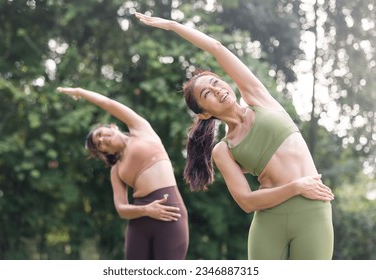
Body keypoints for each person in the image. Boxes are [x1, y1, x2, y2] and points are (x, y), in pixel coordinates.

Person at [135, 12, 334, 260]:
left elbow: (217, 48)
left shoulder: (258, 98)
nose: (217, 91)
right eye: (207, 94)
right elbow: (247, 202)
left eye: (215, 83)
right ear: (205, 114)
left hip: (312, 210)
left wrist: (174, 26)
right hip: (269, 220)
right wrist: (295, 187)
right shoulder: (224, 149)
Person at [57, 86, 189, 260]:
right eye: (99, 144)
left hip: (169, 211)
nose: (102, 140)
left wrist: (80, 92)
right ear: (104, 152)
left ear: (113, 127)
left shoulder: (141, 130)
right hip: (140, 220)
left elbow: (107, 103)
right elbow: (121, 208)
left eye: (101, 134)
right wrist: (146, 210)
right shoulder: (116, 169)